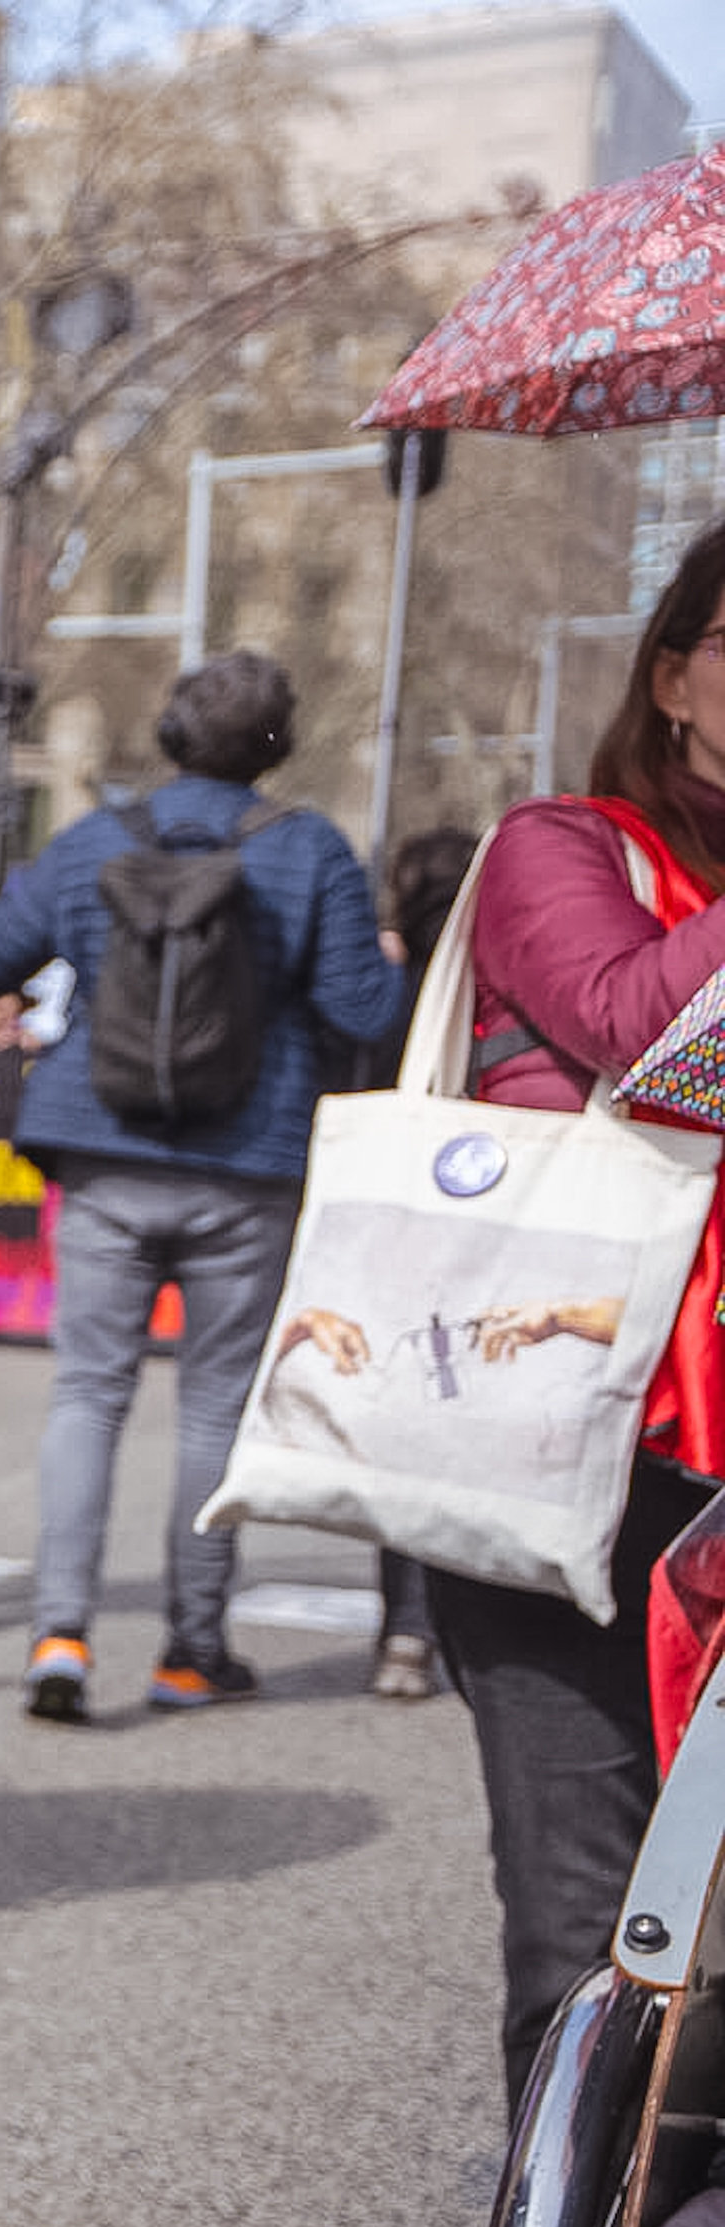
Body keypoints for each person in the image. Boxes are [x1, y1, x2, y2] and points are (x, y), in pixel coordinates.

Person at [0, 652, 402, 1722]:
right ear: (279, 746)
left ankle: (60, 1636)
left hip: (102, 1150)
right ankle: (191, 1649)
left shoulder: (89, 845)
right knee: (214, 1407)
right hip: (250, 1163)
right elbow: (365, 1012)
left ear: (170, 735)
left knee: (88, 1393)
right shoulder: (312, 850)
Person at [423, 521, 725, 2101]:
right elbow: (638, 1023)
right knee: (593, 1954)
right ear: (673, 674)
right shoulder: (563, 844)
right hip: (581, 1469)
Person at [362, 826, 482, 1701]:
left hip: (393, 1214)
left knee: (401, 1419)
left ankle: (401, 1625)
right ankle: (446, 1621)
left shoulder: (391, 988)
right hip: (492, 1225)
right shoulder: (500, 980)